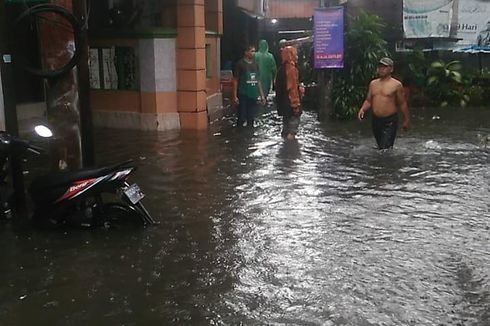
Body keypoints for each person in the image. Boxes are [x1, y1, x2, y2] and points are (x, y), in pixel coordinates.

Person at [357, 57, 410, 149]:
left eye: (384, 67)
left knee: (385, 148)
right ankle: (382, 162)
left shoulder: (396, 85)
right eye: (380, 67)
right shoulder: (373, 84)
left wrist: (406, 120)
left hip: (390, 121)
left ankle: (387, 162)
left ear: (391, 69)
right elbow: (369, 100)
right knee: (380, 147)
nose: (381, 69)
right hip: (376, 120)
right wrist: (362, 109)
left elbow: (402, 103)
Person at [232, 45, 266, 127]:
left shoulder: (255, 65)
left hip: (253, 95)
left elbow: (258, 81)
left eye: (254, 51)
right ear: (246, 52)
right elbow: (235, 80)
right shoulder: (240, 64)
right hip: (243, 94)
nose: (253, 53)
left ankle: (249, 134)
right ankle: (240, 134)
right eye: (251, 51)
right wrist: (234, 95)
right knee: (242, 116)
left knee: (251, 117)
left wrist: (262, 96)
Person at [275, 46, 302, 140]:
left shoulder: (280, 70)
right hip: (290, 104)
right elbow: (292, 89)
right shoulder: (291, 70)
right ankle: (291, 151)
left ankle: (285, 151)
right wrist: (296, 105)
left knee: (285, 129)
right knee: (292, 130)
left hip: (283, 104)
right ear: (291, 55)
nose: (297, 57)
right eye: (295, 54)